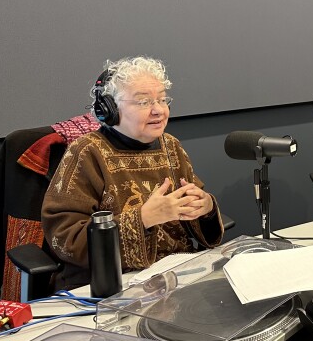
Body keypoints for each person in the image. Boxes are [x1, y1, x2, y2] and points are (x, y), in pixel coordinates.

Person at [42, 56, 224, 290]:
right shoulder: (87, 152)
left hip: (176, 277)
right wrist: (144, 219)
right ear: (109, 109)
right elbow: (65, 239)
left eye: (161, 100)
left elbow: (197, 215)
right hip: (111, 285)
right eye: (143, 102)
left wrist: (205, 207)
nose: (158, 110)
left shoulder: (171, 146)